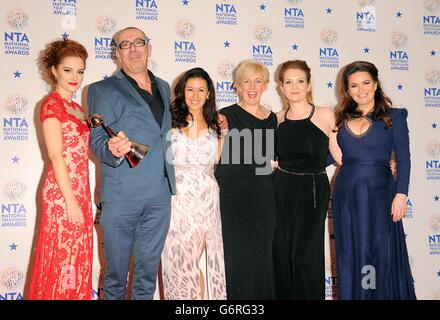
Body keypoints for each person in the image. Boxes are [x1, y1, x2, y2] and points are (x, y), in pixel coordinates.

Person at [87, 27, 176, 300]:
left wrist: (216, 121)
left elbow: (171, 129)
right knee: (115, 277)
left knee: (147, 275)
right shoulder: (101, 89)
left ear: (149, 47)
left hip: (160, 194)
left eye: (139, 42)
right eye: (125, 45)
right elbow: (97, 140)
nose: (134, 49)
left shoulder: (164, 86)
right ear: (116, 53)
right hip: (122, 195)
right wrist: (112, 148)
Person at [330, 61, 416, 299]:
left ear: (376, 84)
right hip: (347, 195)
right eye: (353, 85)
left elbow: (404, 157)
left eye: (366, 83)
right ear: (347, 90)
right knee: (351, 253)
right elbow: (328, 157)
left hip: (380, 194)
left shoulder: (394, 117)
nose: (361, 90)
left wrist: (401, 194)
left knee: (378, 253)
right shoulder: (339, 120)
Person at [29, 39, 93, 299]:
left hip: (80, 194)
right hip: (62, 194)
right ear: (54, 70)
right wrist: (71, 201)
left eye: (80, 71)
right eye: (68, 70)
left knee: (75, 261)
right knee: (64, 261)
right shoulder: (51, 105)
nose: (75, 77)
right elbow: (56, 156)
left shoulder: (77, 109)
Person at [272, 60, 336, 300]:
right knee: (281, 253)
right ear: (281, 87)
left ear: (309, 85)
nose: (295, 86)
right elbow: (260, 158)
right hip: (281, 190)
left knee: (305, 257)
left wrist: (382, 163)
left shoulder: (325, 114)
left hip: (312, 190)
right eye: (289, 82)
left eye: (300, 81)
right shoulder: (276, 119)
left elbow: (342, 154)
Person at [161, 67, 226, 300]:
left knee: (203, 259)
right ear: (182, 92)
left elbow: (215, 165)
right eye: (190, 89)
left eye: (201, 90)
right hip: (178, 201)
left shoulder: (218, 127)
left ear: (209, 94)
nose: (195, 95)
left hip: (207, 200)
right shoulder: (168, 123)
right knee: (179, 261)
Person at [215, 60, 277, 299]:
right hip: (232, 197)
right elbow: (218, 158)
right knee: (237, 260)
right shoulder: (225, 116)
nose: (252, 87)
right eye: (246, 82)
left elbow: (267, 161)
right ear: (237, 86)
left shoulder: (272, 119)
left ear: (265, 85)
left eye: (258, 81)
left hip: (263, 195)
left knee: (262, 259)